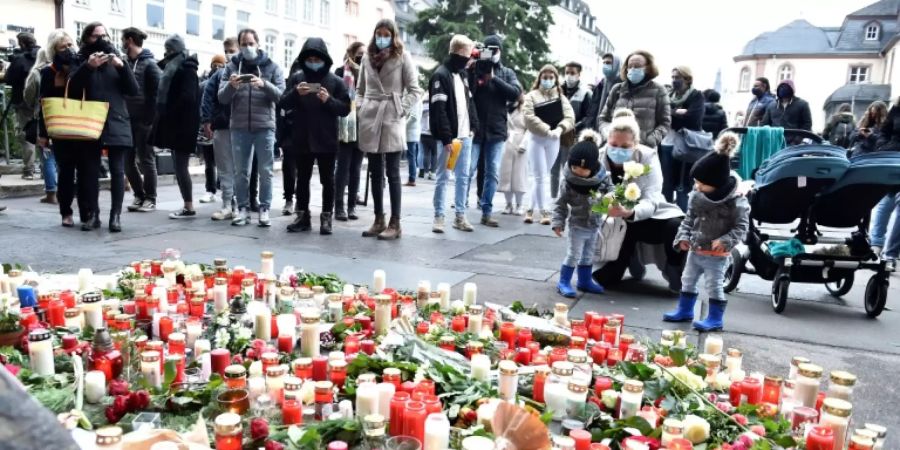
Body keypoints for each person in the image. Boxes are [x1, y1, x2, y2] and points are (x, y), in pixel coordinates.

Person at [591, 109, 686, 291]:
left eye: (625, 146)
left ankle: (674, 268)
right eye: (614, 144)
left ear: (635, 144)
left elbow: (652, 196)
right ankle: (623, 261)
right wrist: (604, 207)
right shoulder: (599, 156)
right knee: (607, 282)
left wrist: (631, 212)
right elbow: (591, 194)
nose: (618, 150)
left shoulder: (648, 156)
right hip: (613, 220)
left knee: (676, 227)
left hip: (651, 215)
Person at [664, 132, 749, 331]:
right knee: (688, 279)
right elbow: (689, 219)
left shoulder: (735, 202)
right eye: (696, 182)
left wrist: (726, 241)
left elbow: (741, 227)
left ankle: (715, 317)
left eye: (702, 183)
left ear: (717, 183)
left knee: (714, 285)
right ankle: (685, 310)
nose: (697, 186)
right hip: (695, 250)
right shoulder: (697, 196)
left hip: (716, 254)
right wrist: (683, 237)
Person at [357, 19, 424, 240]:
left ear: (393, 35)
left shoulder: (402, 57)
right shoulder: (367, 56)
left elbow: (415, 90)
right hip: (370, 116)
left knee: (393, 172)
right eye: (378, 34)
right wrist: (361, 107)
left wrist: (400, 109)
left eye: (386, 34)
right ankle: (379, 219)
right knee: (375, 171)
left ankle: (395, 223)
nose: (381, 38)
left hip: (392, 115)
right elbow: (359, 89)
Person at [70, 22, 139, 232]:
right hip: (89, 121)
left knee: (118, 171)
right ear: (86, 39)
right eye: (95, 36)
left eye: (104, 36)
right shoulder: (80, 59)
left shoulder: (117, 60)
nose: (100, 41)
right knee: (89, 171)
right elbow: (72, 89)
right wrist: (88, 67)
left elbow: (133, 90)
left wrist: (122, 66)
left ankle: (115, 216)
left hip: (116, 119)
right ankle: (93, 215)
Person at [280, 37, 351, 235]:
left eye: (316, 58)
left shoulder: (335, 81)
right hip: (301, 137)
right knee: (302, 178)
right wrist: (296, 93)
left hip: (326, 138)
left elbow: (345, 108)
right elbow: (283, 103)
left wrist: (328, 100)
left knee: (328, 179)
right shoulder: (296, 78)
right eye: (309, 58)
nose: (313, 62)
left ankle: (327, 216)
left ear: (324, 59)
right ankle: (303, 216)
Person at [218, 28, 285, 227]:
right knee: (240, 172)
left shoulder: (272, 67)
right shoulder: (231, 67)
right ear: (239, 46)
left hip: (264, 126)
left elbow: (281, 96)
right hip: (239, 127)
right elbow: (221, 98)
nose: (247, 47)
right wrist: (231, 86)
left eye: (250, 43)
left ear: (258, 44)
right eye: (244, 44)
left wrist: (263, 84)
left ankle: (264, 208)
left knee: (266, 171)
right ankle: (243, 208)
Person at [468, 34, 522, 227]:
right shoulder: (475, 68)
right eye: (488, 50)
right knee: (469, 168)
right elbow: (468, 92)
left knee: (492, 172)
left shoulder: (506, 72)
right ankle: (461, 207)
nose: (491, 54)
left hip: (497, 129)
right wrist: (472, 70)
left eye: (495, 50)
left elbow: (516, 93)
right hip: (476, 128)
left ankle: (486, 211)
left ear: (500, 51)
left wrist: (493, 79)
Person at [429, 34, 479, 233]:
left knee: (463, 177)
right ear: (459, 53)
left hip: (465, 135)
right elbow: (439, 110)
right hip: (449, 138)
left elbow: (469, 102)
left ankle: (460, 215)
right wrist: (446, 137)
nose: (470, 59)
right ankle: (439, 216)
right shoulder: (440, 75)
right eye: (468, 54)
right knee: (443, 176)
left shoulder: (463, 75)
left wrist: (474, 126)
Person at [552, 130, 609, 298]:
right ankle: (564, 281)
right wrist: (558, 222)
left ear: (593, 167)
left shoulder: (602, 177)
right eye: (574, 166)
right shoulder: (568, 181)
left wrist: (611, 198)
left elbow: (611, 190)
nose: (577, 171)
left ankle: (585, 280)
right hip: (577, 224)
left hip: (595, 223)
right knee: (574, 254)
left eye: (583, 169)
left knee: (589, 254)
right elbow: (561, 202)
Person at [154, 35, 201, 220]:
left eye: (168, 49)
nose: (166, 52)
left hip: (183, 125)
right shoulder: (178, 68)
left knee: (180, 167)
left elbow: (188, 98)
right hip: (180, 124)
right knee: (179, 166)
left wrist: (170, 111)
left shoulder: (185, 69)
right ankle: (187, 205)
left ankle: (189, 207)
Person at [522, 65, 575, 225]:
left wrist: (560, 129)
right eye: (545, 77)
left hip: (554, 139)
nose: (548, 80)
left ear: (556, 79)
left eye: (551, 77)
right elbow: (528, 117)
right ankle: (545, 211)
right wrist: (546, 129)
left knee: (543, 175)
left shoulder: (561, 97)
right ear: (539, 78)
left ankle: (530, 209)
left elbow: (570, 116)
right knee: (540, 177)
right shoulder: (531, 96)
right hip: (537, 138)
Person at [35, 30, 78, 225]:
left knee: (85, 171)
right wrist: (43, 134)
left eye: (70, 45)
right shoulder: (48, 72)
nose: (68, 49)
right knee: (66, 171)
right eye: (63, 46)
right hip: (60, 127)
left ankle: (87, 212)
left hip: (82, 124)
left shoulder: (81, 67)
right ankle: (66, 212)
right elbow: (44, 103)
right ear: (54, 49)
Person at [121, 27, 161, 213]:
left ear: (129, 40)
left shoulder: (150, 65)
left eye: (122, 40)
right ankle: (139, 195)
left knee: (146, 159)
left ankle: (150, 198)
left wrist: (149, 119)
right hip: (126, 119)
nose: (121, 44)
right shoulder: (125, 63)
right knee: (127, 161)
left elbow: (156, 95)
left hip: (144, 121)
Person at [598, 50, 671, 149]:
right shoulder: (617, 89)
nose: (632, 69)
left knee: (643, 166)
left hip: (644, 150)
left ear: (648, 68)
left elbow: (665, 123)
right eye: (630, 66)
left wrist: (650, 141)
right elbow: (603, 118)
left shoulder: (659, 90)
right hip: (615, 148)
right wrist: (609, 135)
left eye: (637, 66)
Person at [202, 38, 239, 221]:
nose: (228, 54)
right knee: (225, 167)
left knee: (240, 169)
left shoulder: (247, 72)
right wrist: (207, 120)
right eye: (226, 50)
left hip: (241, 126)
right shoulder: (220, 74)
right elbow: (208, 96)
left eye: (231, 50)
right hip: (224, 125)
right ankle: (227, 205)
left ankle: (238, 205)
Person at [662, 66, 704, 211]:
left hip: (687, 146)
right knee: (666, 183)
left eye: (678, 77)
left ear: (687, 79)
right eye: (673, 77)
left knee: (683, 185)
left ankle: (682, 218)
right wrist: (677, 112)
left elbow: (693, 119)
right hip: (667, 143)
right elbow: (662, 116)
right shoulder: (667, 95)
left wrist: (673, 115)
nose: (674, 80)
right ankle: (665, 217)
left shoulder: (696, 95)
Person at [551, 61, 592, 200]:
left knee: (569, 170)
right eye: (567, 72)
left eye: (572, 73)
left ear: (579, 74)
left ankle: (567, 199)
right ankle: (554, 199)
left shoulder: (585, 93)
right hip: (555, 135)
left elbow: (588, 117)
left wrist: (573, 127)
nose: (569, 75)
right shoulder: (557, 90)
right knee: (553, 170)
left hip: (572, 137)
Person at [334, 42, 366, 221]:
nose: (362, 57)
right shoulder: (340, 72)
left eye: (364, 54)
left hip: (362, 125)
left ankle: (352, 205)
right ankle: (339, 206)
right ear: (351, 53)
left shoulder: (368, 73)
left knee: (356, 168)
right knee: (343, 167)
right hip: (345, 125)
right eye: (359, 54)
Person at [23, 45, 58, 204]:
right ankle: (67, 190)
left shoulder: (37, 73)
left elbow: (29, 98)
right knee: (63, 156)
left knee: (47, 155)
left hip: (44, 117)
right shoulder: (61, 70)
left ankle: (51, 193)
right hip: (64, 117)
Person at [5, 32, 40, 180]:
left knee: (26, 135)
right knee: (45, 134)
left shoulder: (20, 59)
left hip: (24, 101)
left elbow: (9, 79)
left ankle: (29, 170)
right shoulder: (44, 55)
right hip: (43, 100)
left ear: (22, 44)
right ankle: (47, 171)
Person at [871, 98, 900, 269]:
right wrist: (883, 146)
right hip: (892, 158)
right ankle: (876, 243)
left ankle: (890, 253)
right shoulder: (896, 109)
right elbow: (884, 132)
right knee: (886, 201)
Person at [198, 53, 227, 206]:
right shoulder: (204, 84)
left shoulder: (224, 81)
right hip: (207, 127)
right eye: (214, 65)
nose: (217, 67)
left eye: (220, 65)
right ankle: (210, 189)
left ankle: (221, 187)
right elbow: (201, 104)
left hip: (221, 125)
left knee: (223, 161)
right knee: (209, 162)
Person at [499, 95, 528, 215]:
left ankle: (520, 205)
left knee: (519, 175)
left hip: (520, 142)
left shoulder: (525, 109)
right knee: (506, 175)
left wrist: (524, 144)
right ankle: (508, 204)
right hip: (506, 143)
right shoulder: (503, 108)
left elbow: (529, 129)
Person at [585, 53, 621, 130]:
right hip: (595, 129)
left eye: (608, 63)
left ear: (616, 65)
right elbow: (592, 110)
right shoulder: (601, 85)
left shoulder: (622, 86)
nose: (605, 66)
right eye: (603, 63)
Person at [404, 95, 423, 186]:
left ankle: (412, 179)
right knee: (413, 156)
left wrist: (403, 125)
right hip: (414, 131)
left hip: (411, 132)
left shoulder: (415, 99)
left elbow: (413, 117)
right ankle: (412, 177)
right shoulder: (419, 99)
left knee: (411, 156)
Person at [419, 94, 437, 179]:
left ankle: (425, 172)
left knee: (426, 153)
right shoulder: (435, 105)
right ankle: (433, 172)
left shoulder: (422, 105)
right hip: (433, 133)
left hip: (423, 132)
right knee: (434, 154)